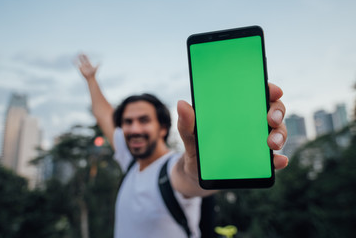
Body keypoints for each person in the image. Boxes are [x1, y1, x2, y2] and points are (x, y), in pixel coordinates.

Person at [76, 54, 288, 238]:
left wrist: (203, 168)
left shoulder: (169, 167)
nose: (134, 129)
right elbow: (103, 114)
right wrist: (91, 79)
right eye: (128, 122)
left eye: (144, 120)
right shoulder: (129, 160)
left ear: (163, 128)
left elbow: (188, 176)